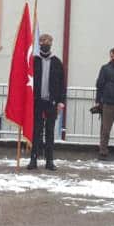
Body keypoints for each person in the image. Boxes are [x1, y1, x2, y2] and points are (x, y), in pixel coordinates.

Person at [29, 34, 66, 171]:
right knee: (36, 131)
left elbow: (62, 83)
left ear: (51, 43)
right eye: (43, 41)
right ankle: (33, 159)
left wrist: (61, 101)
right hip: (36, 101)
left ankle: (49, 161)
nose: (46, 43)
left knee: (50, 132)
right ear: (39, 43)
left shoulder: (57, 62)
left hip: (51, 102)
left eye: (48, 41)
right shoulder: (33, 61)